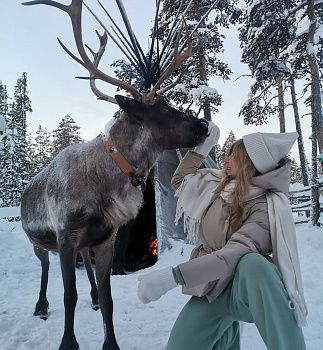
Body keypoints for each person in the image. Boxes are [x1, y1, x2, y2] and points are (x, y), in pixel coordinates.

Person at [137, 122, 307, 350]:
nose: (226, 160)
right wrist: (201, 150)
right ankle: (225, 335)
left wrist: (173, 277)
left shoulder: (265, 207)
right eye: (226, 154)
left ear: (250, 163)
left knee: (254, 263)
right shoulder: (218, 186)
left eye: (233, 156)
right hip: (213, 287)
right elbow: (180, 182)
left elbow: (232, 254)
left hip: (242, 287)